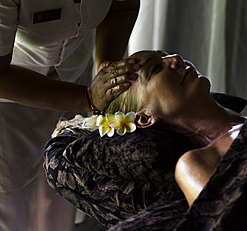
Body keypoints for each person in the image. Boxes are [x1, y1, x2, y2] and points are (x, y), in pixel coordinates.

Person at [0, 0, 143, 230]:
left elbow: (123, 4)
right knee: (8, 195)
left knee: (65, 187)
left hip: (79, 72)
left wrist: (106, 72)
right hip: (12, 94)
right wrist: (86, 100)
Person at [46, 50, 246, 227]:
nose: (175, 59)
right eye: (155, 69)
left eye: (165, 54)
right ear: (144, 118)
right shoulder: (197, 165)